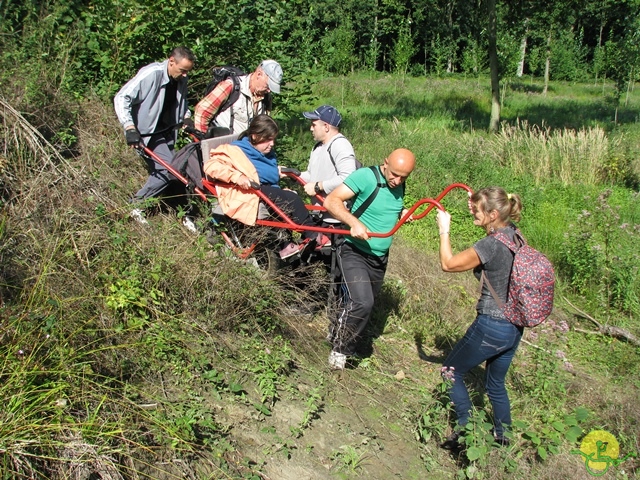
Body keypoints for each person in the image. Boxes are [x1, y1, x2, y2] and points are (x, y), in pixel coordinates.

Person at [435, 187, 524, 449]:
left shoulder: (491, 244)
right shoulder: (515, 236)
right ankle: (503, 438)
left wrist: (444, 229)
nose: (472, 211)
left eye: (478, 209)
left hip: (492, 324)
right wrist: (477, 205)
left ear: (494, 213)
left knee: (450, 372)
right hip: (514, 328)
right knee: (495, 384)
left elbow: (448, 264)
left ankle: (465, 433)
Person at [323, 148, 416, 370]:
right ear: (385, 163)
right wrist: (353, 222)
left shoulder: (400, 183)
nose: (397, 180)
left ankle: (338, 332)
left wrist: (401, 212)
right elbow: (331, 201)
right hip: (354, 251)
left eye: (404, 177)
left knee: (360, 303)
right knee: (362, 302)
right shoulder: (365, 176)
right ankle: (340, 351)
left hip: (379, 258)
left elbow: (386, 204)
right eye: (394, 174)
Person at [202, 115, 329, 258]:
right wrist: (238, 177)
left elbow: (264, 171)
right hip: (247, 193)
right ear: (255, 137)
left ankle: (289, 243)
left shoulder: (265, 153)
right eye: (268, 139)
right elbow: (211, 166)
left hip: (265, 190)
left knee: (290, 197)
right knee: (291, 198)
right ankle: (313, 234)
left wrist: (281, 171)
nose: (272, 143)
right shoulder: (234, 150)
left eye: (273, 139)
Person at [114, 46, 196, 228]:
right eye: (182, 71)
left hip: (168, 133)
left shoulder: (181, 79)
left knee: (183, 169)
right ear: (171, 61)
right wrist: (129, 127)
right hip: (148, 134)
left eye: (187, 72)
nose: (185, 76)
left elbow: (181, 104)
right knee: (169, 170)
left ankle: (185, 214)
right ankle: (136, 205)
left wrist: (187, 118)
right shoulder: (151, 74)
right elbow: (122, 97)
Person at [193, 60, 283, 138]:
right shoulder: (231, 86)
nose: (269, 90)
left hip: (246, 152)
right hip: (223, 151)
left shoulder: (266, 98)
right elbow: (202, 111)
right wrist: (203, 144)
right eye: (268, 85)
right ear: (259, 74)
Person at [299, 105, 357, 198]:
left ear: (326, 127)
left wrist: (319, 186)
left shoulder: (340, 144)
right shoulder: (318, 147)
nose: (311, 128)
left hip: (333, 210)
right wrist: (291, 174)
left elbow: (348, 178)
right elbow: (312, 177)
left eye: (314, 125)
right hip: (319, 210)